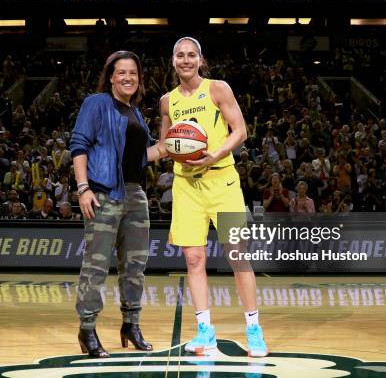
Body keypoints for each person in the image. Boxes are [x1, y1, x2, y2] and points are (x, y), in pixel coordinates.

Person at [150, 37, 268, 357]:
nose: (185, 60)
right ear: (172, 61)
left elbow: (240, 130)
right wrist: (129, 158)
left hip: (223, 183)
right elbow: (164, 146)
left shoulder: (218, 89)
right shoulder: (167, 101)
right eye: (180, 55)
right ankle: (205, 330)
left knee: (237, 256)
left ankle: (253, 326)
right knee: (193, 259)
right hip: (186, 187)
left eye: (191, 55)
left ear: (200, 60)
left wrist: (212, 155)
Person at [69, 50, 159, 358]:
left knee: (135, 267)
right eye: (121, 72)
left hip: (136, 195)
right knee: (96, 266)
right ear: (111, 76)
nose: (128, 77)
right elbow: (79, 145)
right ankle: (87, 329)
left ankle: (130, 325)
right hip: (104, 193)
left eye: (133, 73)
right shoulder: (96, 103)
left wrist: (182, 145)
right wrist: (83, 188)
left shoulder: (136, 112)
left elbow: (144, 155)